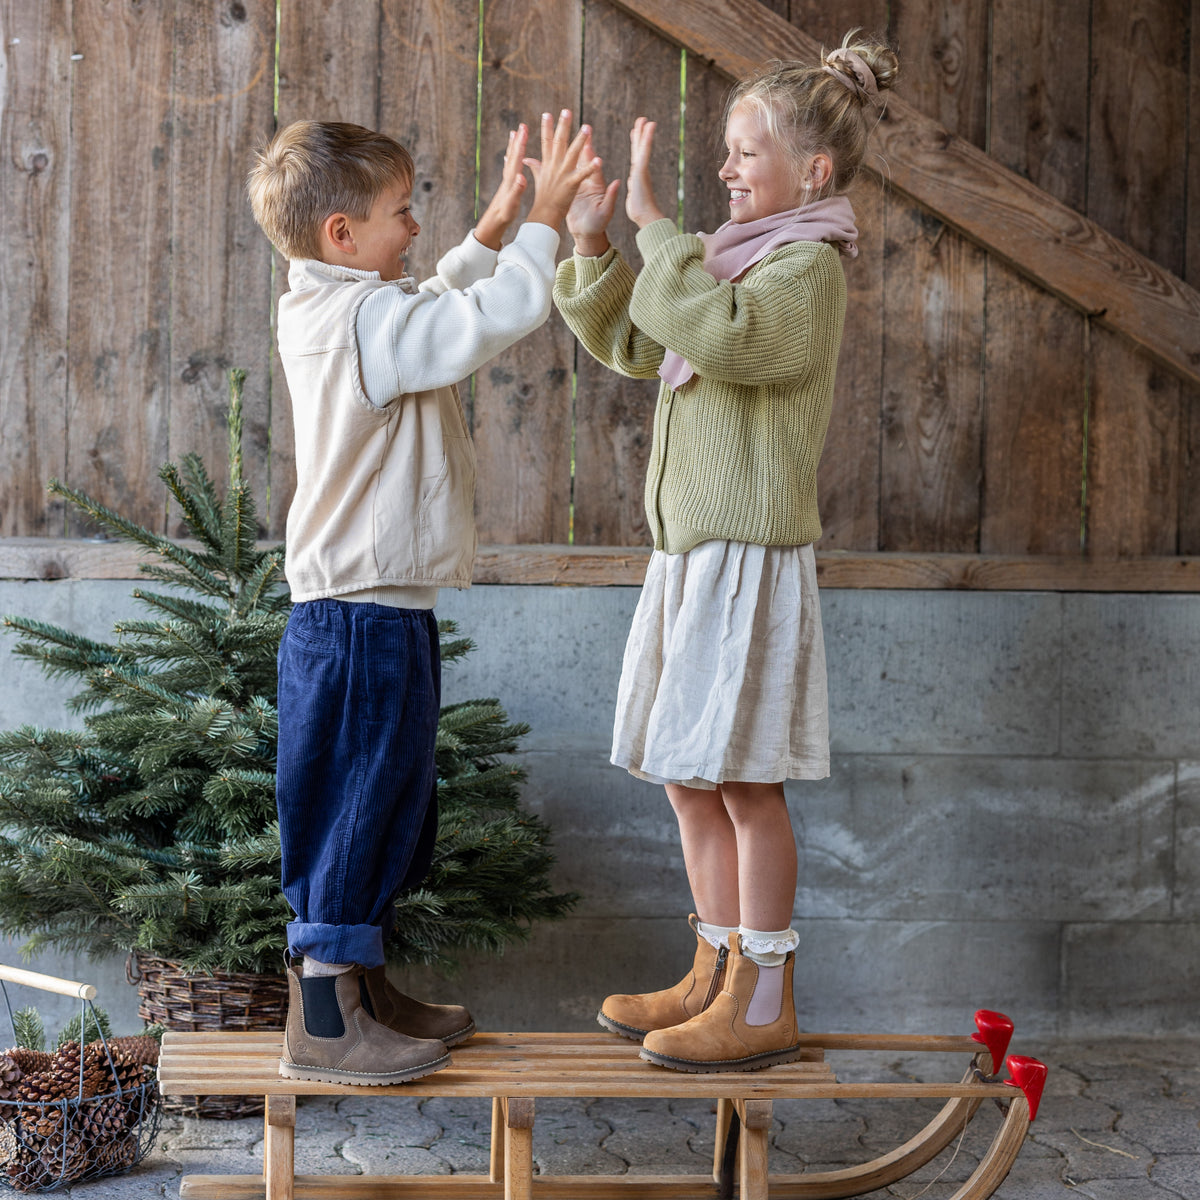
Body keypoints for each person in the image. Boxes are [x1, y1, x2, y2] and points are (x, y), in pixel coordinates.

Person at [553, 33, 899, 1072]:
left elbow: (725, 337)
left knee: (745, 780)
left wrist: (661, 230)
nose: (726, 169)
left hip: (748, 559)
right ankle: (712, 969)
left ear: (814, 173)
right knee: (688, 778)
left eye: (747, 152)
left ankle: (764, 998)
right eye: (728, 152)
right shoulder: (727, 260)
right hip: (694, 557)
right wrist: (593, 245)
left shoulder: (805, 271)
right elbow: (641, 340)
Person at [247, 112, 596, 1085]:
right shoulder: (369, 324)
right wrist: (545, 223)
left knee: (390, 799)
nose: (414, 227)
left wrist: (483, 236)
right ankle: (324, 1018)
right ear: (341, 237)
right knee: (356, 802)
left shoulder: (331, 307)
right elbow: (471, 324)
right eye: (401, 213)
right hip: (360, 618)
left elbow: (432, 300)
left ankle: (362, 988)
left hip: (367, 610)